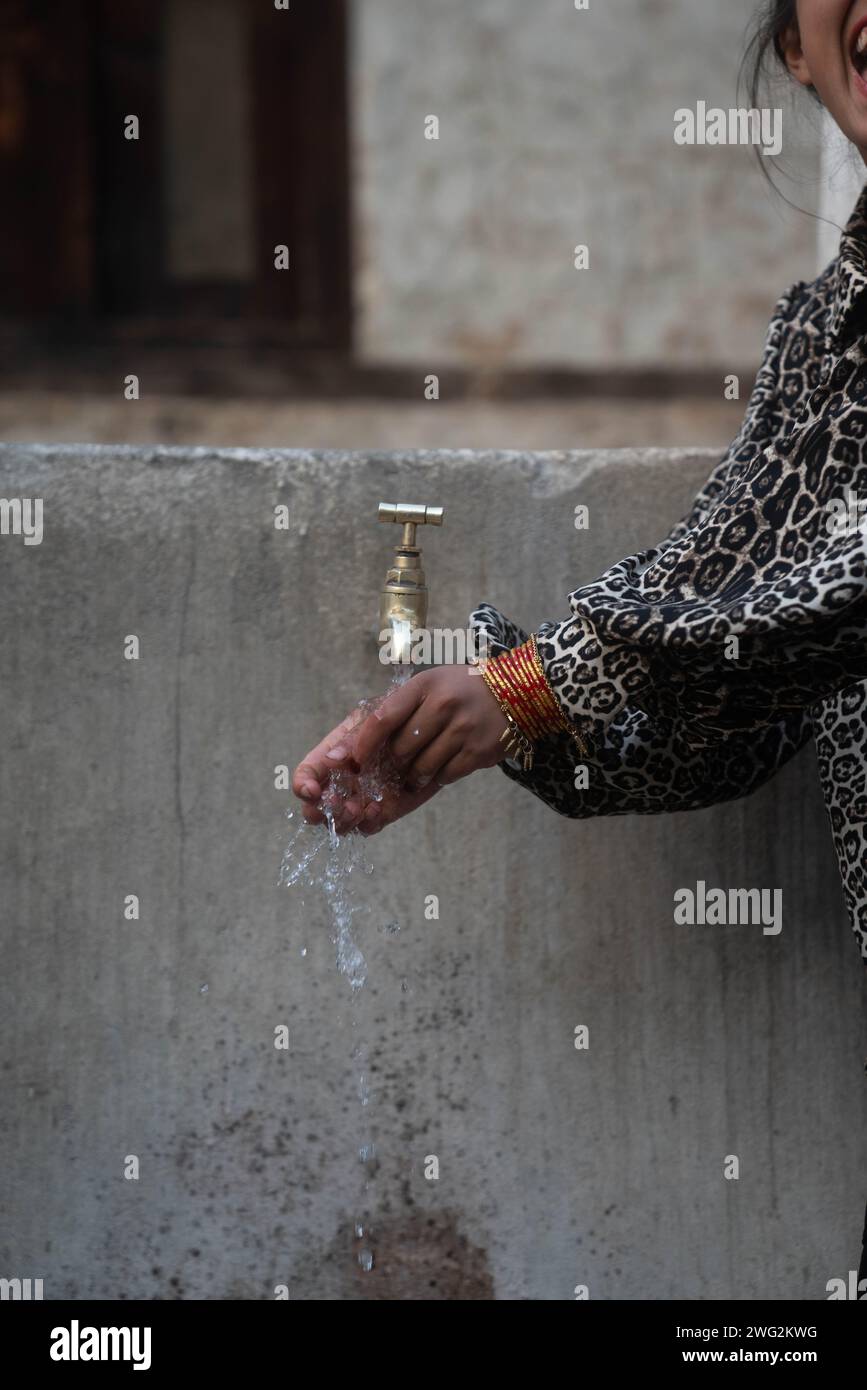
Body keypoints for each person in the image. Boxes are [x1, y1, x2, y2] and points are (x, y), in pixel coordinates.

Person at [293, 0, 867, 1286]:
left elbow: (844, 584)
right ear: (797, 50)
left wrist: (542, 681)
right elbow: (743, 686)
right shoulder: (825, 341)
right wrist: (497, 726)